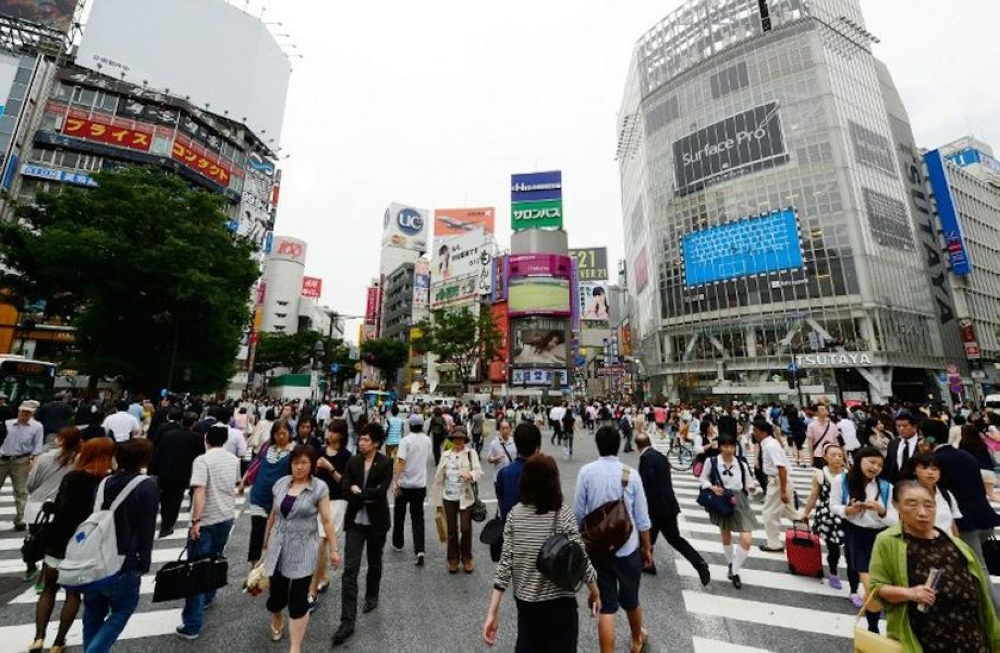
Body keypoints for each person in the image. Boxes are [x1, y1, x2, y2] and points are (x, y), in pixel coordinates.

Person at [483, 454, 600, 652]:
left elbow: (505, 566)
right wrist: (595, 592)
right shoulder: (563, 514)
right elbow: (582, 560)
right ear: (554, 482)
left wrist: (492, 613)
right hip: (561, 605)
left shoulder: (515, 515)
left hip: (528, 607)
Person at [868, 480, 1000, 651]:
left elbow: (980, 593)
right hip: (926, 639)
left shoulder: (953, 542)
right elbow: (876, 588)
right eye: (912, 504)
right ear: (896, 505)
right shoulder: (888, 541)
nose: (922, 512)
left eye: (928, 505)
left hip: (971, 637)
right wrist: (910, 593)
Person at [29, 438, 115, 653]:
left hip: (60, 539)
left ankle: (39, 638)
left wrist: (49, 507)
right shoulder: (109, 481)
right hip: (86, 542)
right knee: (73, 594)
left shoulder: (73, 477)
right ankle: (59, 642)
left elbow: (60, 508)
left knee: (48, 589)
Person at [573, 426, 653, 653]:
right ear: (618, 445)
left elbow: (578, 513)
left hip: (598, 549)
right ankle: (637, 639)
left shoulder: (586, 472)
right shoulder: (631, 474)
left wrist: (583, 542)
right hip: (627, 548)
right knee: (631, 599)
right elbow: (642, 518)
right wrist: (647, 549)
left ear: (597, 445)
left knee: (607, 606)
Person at [80, 438, 158, 652]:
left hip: (94, 557)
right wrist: (145, 559)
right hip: (124, 558)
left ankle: (91, 647)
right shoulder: (147, 485)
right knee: (123, 609)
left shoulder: (103, 483)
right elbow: (146, 527)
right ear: (145, 459)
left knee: (93, 613)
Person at [262, 445, 340, 652]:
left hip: (304, 547)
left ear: (312, 464)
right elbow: (273, 514)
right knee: (277, 594)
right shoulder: (280, 484)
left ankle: (295, 648)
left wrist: (334, 549)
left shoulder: (319, 488)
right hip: (278, 545)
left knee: (298, 599)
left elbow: (327, 520)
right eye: (296, 462)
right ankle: (277, 614)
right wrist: (266, 538)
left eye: (304, 462)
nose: (299, 467)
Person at [922, 418, 1000, 611]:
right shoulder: (965, 455)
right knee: (972, 565)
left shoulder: (936, 461)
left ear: (929, 438)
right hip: (984, 517)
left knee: (978, 568)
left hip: (964, 523)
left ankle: (994, 615)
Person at [175, 424, 241, 640]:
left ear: (206, 439)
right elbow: (236, 483)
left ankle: (192, 624)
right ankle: (209, 595)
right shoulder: (233, 460)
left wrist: (196, 521)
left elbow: (199, 490)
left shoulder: (202, 460)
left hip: (206, 520)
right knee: (215, 558)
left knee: (196, 570)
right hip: (226, 516)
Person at [333, 423, 393, 647]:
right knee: (350, 570)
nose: (361, 442)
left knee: (375, 562)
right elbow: (345, 488)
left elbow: (381, 492)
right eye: (360, 439)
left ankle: (372, 595)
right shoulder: (353, 460)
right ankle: (347, 622)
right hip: (355, 523)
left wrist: (360, 492)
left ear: (376, 443)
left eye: (366, 440)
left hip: (377, 522)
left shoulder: (386, 462)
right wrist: (358, 493)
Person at [830, 446, 897, 628]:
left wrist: (881, 510)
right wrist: (847, 510)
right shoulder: (841, 480)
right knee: (871, 587)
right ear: (859, 460)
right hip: (857, 535)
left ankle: (873, 626)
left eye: (880, 465)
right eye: (871, 462)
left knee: (876, 587)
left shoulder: (886, 487)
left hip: (882, 537)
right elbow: (833, 505)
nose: (875, 467)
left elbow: (894, 520)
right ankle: (873, 629)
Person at [635, 432, 710, 584]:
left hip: (655, 509)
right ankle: (699, 562)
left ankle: (644, 564)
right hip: (669, 505)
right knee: (674, 539)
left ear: (637, 447)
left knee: (645, 538)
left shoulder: (645, 458)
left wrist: (642, 507)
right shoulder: (661, 456)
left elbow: (647, 485)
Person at [698, 433, 757, 589]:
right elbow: (702, 478)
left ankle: (735, 570)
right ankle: (731, 563)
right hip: (723, 499)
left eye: (732, 446)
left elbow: (748, 484)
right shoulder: (711, 461)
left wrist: (751, 488)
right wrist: (711, 487)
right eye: (726, 446)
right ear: (720, 446)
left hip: (741, 501)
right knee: (726, 533)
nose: (729, 450)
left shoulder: (741, 463)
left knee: (747, 539)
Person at [24, 427, 82, 582]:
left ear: (61, 440)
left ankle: (30, 567)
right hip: (62, 506)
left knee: (34, 536)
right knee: (52, 542)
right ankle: (44, 578)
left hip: (37, 504)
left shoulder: (44, 458)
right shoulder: (79, 459)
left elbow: (31, 483)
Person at [801, 443, 858, 594]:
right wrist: (806, 512)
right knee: (833, 549)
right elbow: (814, 495)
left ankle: (853, 584)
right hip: (828, 517)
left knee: (850, 551)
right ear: (825, 457)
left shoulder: (849, 474)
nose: (838, 458)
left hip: (846, 515)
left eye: (840, 455)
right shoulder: (820, 475)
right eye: (833, 455)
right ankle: (833, 572)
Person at [309, 419, 351, 607]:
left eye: (333, 431)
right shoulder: (319, 451)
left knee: (321, 540)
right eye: (328, 430)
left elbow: (345, 483)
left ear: (341, 435)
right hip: (318, 500)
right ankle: (323, 577)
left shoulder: (346, 456)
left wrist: (330, 467)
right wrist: (316, 468)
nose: (329, 433)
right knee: (319, 541)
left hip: (335, 501)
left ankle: (313, 588)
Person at [430, 426, 483, 574]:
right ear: (452, 440)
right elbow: (438, 477)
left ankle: (467, 558)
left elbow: (478, 471)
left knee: (465, 529)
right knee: (452, 531)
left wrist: (470, 475)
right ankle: (453, 559)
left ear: (465, 440)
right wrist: (436, 498)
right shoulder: (446, 454)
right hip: (448, 497)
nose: (458, 441)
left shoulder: (471, 454)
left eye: (461, 439)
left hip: (465, 496)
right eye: (455, 439)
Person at [242, 420, 295, 566]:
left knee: (275, 534)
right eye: (277, 434)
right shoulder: (267, 446)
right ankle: (254, 565)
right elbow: (255, 463)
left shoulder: (294, 451)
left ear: (290, 433)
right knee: (257, 531)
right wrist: (244, 480)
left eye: (284, 433)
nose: (281, 437)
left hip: (279, 499)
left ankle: (274, 566)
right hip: (259, 494)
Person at [152, 411, 206, 538]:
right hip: (183, 472)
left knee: (165, 497)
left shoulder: (168, 435)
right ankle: (167, 525)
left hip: (165, 470)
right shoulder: (197, 437)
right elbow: (200, 456)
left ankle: (165, 521)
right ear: (194, 423)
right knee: (176, 498)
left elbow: (159, 452)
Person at [754, 417, 800, 552]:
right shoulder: (769, 443)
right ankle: (804, 531)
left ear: (763, 432)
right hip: (780, 481)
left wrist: (783, 491)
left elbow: (781, 467)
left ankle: (774, 544)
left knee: (769, 513)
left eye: (755, 430)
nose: (754, 433)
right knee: (790, 512)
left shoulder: (770, 445)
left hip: (778, 482)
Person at [391, 414, 432, 565]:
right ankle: (419, 549)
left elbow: (401, 462)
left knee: (399, 514)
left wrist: (395, 481)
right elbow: (427, 457)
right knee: (418, 517)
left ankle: (398, 543)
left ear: (410, 426)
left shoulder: (405, 441)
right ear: (422, 426)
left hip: (404, 484)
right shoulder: (427, 440)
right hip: (420, 484)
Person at [1, 400, 44, 531]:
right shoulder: (7, 424)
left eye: (27, 412)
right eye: (22, 411)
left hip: (21, 460)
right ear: (18, 410)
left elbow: (37, 446)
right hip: (2, 459)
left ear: (32, 413)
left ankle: (20, 518)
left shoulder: (37, 427)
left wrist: (33, 461)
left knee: (21, 491)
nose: (24, 414)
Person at [899, 453, 961, 536]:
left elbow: (952, 524)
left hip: (947, 545)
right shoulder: (906, 493)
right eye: (924, 468)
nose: (930, 472)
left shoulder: (946, 494)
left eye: (935, 469)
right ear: (914, 471)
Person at [883, 409, 920, 484]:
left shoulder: (922, 444)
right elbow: (888, 466)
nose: (901, 429)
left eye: (905, 426)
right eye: (898, 426)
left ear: (914, 427)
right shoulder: (893, 443)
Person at [806, 404, 839, 469]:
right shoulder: (811, 426)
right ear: (816, 413)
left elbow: (835, 440)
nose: (825, 410)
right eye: (822, 409)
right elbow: (810, 443)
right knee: (821, 476)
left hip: (831, 454)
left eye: (825, 409)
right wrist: (811, 458)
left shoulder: (832, 425)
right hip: (818, 455)